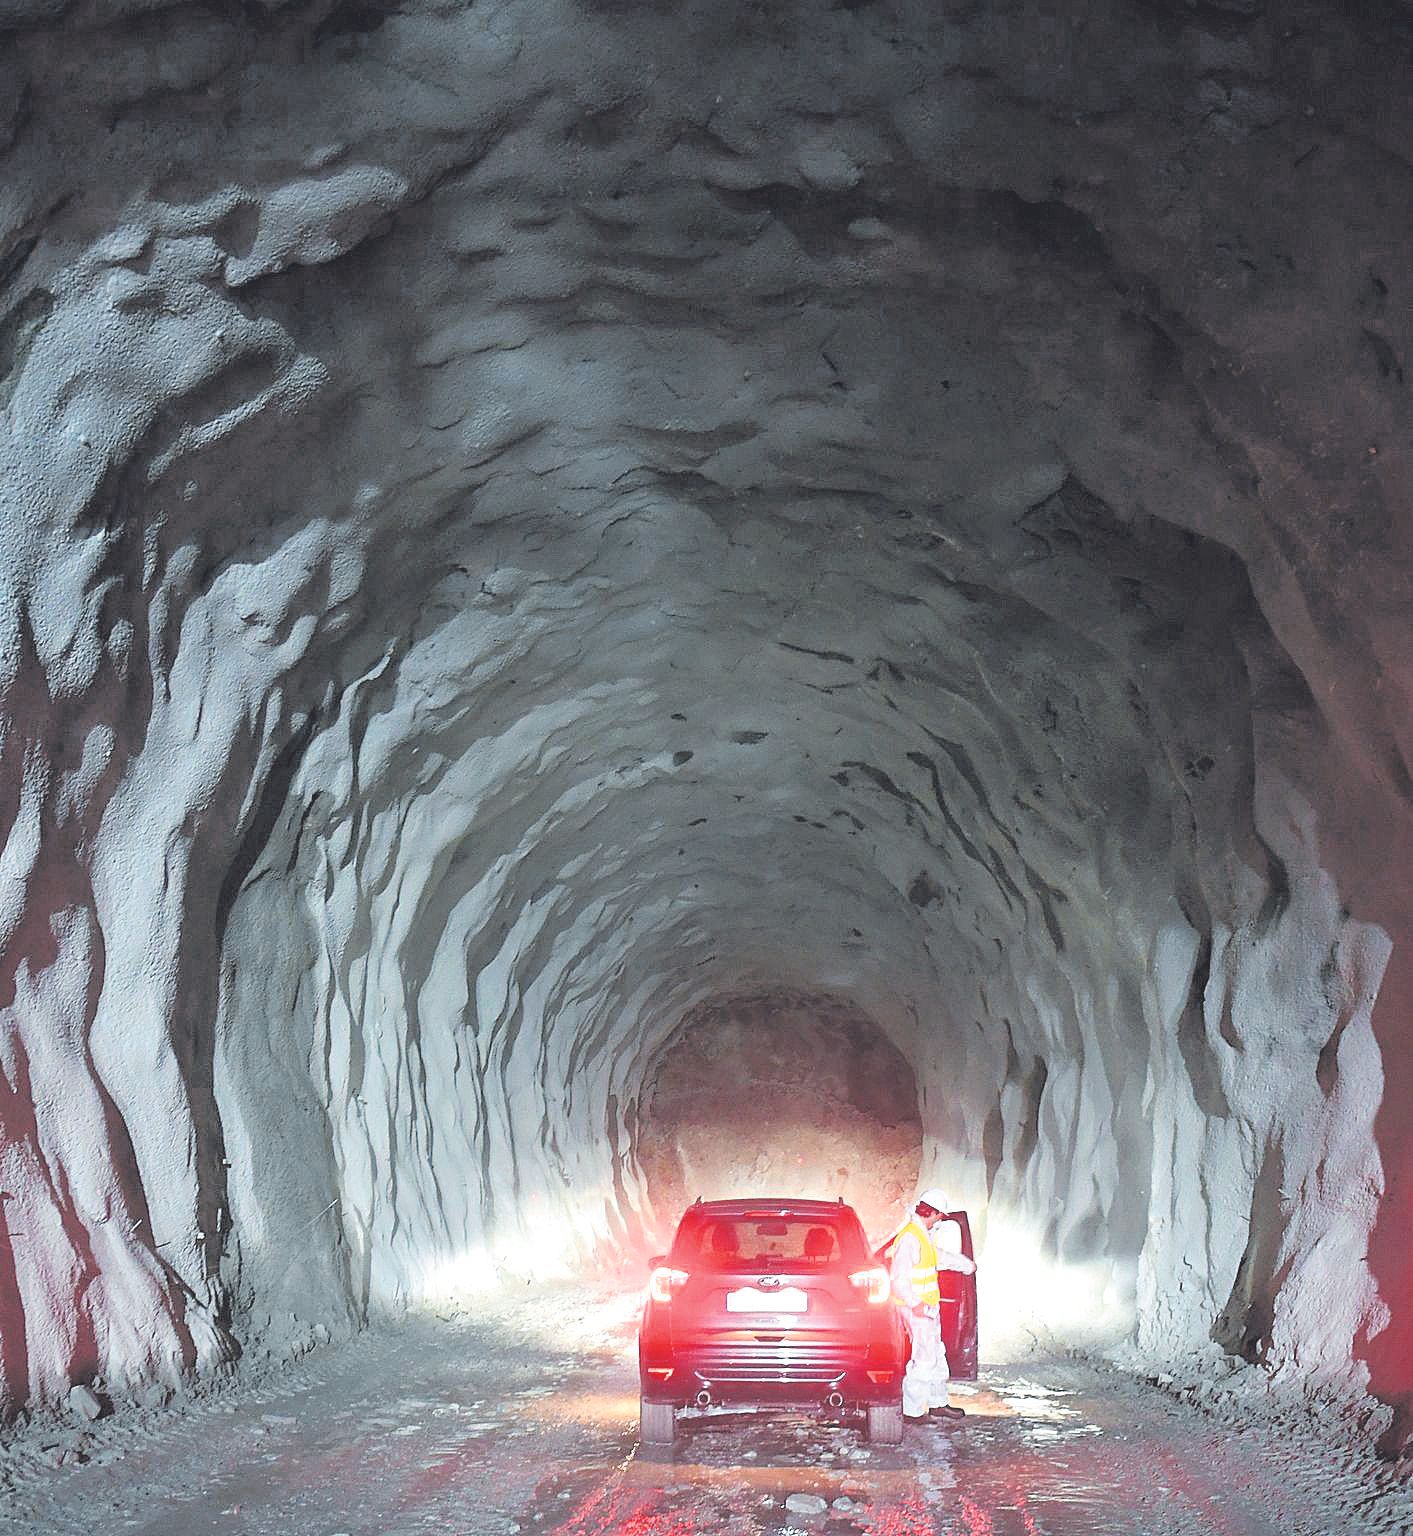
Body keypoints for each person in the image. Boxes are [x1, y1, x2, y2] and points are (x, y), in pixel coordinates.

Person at [886, 1187, 977, 1423]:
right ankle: (912, 1411)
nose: (940, 1220)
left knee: (937, 1355)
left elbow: (938, 1257)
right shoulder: (909, 1238)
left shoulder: (920, 1235)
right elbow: (898, 1279)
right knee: (924, 1358)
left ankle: (938, 1404)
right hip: (917, 1309)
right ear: (932, 1212)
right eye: (939, 1216)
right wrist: (915, 1304)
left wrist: (965, 1265)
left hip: (927, 1308)